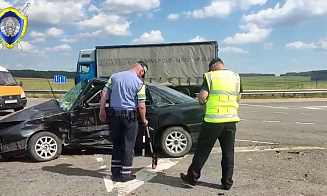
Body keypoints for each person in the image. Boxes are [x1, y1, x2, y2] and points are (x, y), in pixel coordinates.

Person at [180, 58, 243, 190]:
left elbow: (202, 96)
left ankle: (192, 178)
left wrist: (203, 103)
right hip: (231, 120)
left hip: (213, 121)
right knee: (228, 152)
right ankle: (227, 182)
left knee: (202, 150)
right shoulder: (235, 77)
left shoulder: (211, 77)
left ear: (213, 66)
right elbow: (238, 98)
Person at [99, 61, 149, 182]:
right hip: (129, 117)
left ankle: (115, 173)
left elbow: (104, 93)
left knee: (117, 143)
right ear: (142, 71)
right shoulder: (139, 83)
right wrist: (143, 119)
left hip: (114, 115)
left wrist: (102, 110)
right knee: (128, 145)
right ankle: (126, 174)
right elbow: (141, 105)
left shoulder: (115, 76)